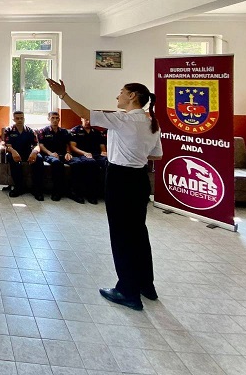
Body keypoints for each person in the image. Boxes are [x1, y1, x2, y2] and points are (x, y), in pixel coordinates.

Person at [46, 78, 162, 311]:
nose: (117, 97)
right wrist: (134, 152)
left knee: (121, 236)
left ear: (132, 96)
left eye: (121, 92)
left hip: (121, 178)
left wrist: (63, 95)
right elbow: (156, 156)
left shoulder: (122, 119)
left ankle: (127, 291)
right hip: (139, 179)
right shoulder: (152, 124)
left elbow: (86, 113)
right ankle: (145, 286)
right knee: (138, 233)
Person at [34, 111, 73, 202]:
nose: (55, 120)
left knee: (78, 163)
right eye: (53, 118)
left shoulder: (63, 131)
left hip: (63, 154)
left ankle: (73, 191)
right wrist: (50, 153)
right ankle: (57, 192)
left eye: (57, 118)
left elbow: (68, 144)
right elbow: (41, 145)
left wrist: (68, 153)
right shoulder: (43, 131)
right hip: (48, 155)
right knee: (57, 163)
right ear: (48, 119)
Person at [69, 117, 108, 204]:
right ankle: (90, 194)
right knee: (91, 163)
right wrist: (84, 153)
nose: (88, 122)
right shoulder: (75, 130)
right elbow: (73, 147)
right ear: (81, 119)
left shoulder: (97, 132)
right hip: (81, 154)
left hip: (96, 154)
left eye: (90, 120)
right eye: (86, 120)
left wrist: (104, 153)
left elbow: (102, 147)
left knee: (108, 162)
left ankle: (106, 192)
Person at [3, 111, 40, 199]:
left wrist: (34, 152)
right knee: (12, 159)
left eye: (21, 118)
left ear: (24, 119)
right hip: (14, 152)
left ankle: (37, 189)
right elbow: (7, 146)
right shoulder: (9, 130)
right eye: (17, 118)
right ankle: (18, 187)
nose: (20, 120)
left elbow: (37, 145)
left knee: (39, 159)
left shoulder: (30, 131)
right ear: (13, 119)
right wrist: (13, 152)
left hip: (28, 153)